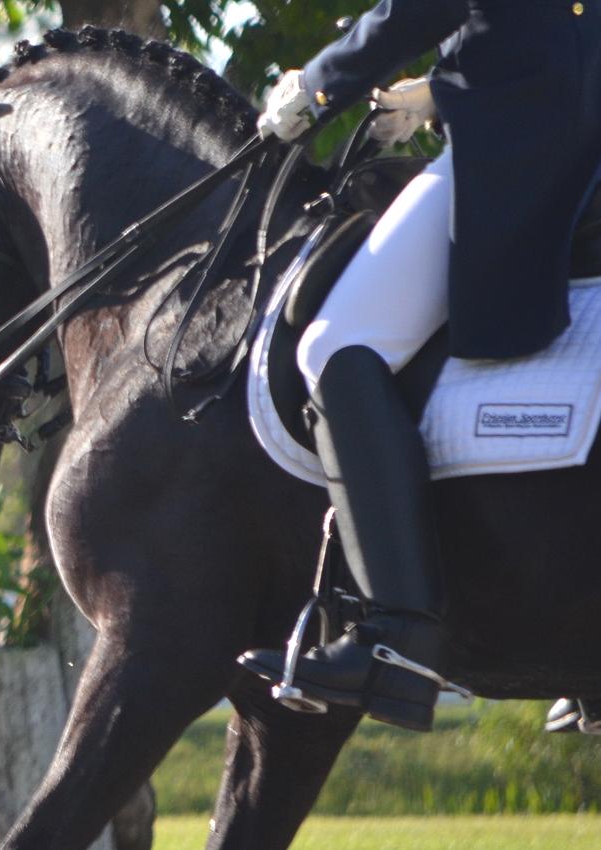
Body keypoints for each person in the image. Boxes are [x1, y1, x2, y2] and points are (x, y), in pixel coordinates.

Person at [239, 0, 601, 732]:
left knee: (337, 346)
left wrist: (314, 88)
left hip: (521, 147)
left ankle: (398, 637)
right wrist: (444, 90)